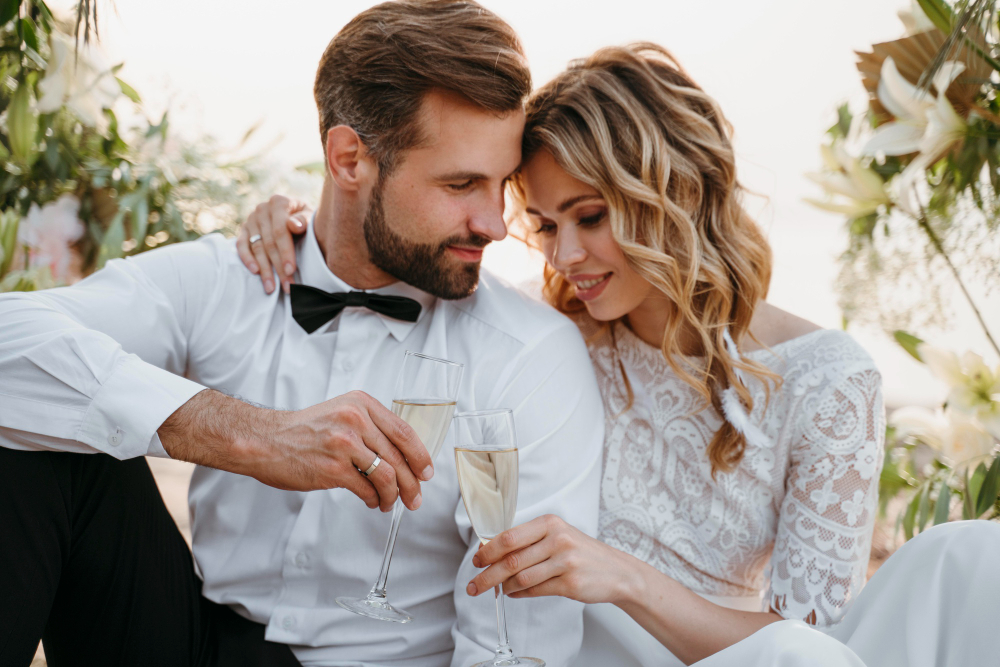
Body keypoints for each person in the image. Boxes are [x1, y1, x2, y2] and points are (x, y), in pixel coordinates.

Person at [238, 43, 1000, 667]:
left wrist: (626, 580)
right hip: (555, 652)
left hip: (729, 661)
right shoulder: (548, 342)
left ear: (674, 190)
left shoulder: (830, 378)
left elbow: (814, 643)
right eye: (542, 223)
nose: (565, 254)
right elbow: (398, 274)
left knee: (971, 559)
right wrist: (299, 224)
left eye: (591, 216)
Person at [0, 3, 605, 666]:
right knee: (33, 426)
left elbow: (514, 642)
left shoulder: (529, 355)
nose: (494, 223)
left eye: (501, 184)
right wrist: (245, 433)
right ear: (349, 159)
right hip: (188, 638)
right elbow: (13, 337)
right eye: (461, 184)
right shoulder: (227, 278)